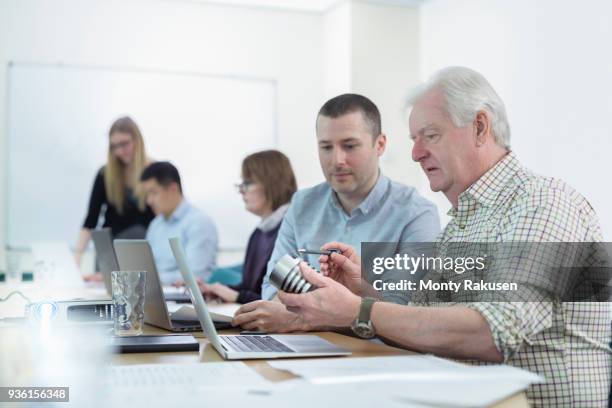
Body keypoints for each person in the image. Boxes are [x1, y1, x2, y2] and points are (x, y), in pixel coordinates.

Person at [277, 67, 611, 407]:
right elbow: (422, 327)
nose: (416, 153)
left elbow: (494, 332)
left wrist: (358, 310)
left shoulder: (544, 202)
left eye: (430, 135)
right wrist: (364, 291)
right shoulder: (461, 223)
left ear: (480, 127)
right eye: (414, 140)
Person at [232, 93, 440, 332]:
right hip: (302, 350)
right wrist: (347, 309)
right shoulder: (301, 205)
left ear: (380, 145)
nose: (337, 160)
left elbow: (400, 313)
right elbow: (272, 291)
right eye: (326, 147)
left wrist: (303, 317)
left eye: (349, 146)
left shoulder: (417, 215)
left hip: (375, 359)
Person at [199, 150, 297, 304]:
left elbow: (280, 303)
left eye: (248, 183)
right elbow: (249, 289)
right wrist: (217, 290)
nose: (241, 190)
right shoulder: (258, 234)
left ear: (272, 182)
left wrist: (237, 297)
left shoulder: (291, 232)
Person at [76, 116, 155, 273]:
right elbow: (90, 220)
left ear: (137, 140)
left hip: (142, 255)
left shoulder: (154, 173)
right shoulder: (104, 175)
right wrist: (77, 258)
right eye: (114, 146)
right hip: (109, 254)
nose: (119, 151)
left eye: (124, 144)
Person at [141, 161, 218, 285]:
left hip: (185, 298)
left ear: (173, 189)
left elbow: (194, 276)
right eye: (147, 194)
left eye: (153, 193)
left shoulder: (199, 223)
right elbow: (146, 268)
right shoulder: (156, 224)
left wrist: (145, 278)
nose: (149, 201)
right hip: (158, 292)